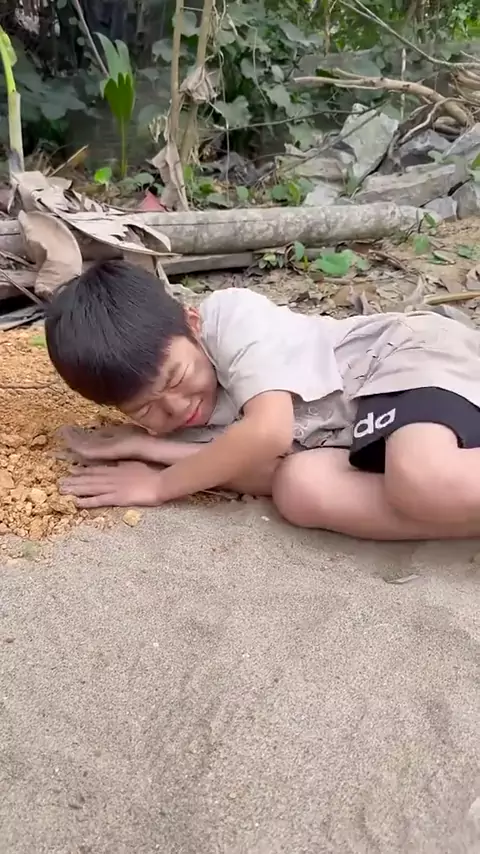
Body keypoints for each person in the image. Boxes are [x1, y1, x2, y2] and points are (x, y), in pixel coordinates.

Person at [45, 259, 480, 541]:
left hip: (396, 359)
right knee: (298, 489)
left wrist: (161, 484)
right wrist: (147, 448)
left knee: (420, 478)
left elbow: (270, 433)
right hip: (367, 430)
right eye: (145, 408)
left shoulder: (230, 317)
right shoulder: (186, 427)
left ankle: (446, 493)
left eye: (176, 377)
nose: (174, 406)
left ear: (192, 323)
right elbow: (262, 470)